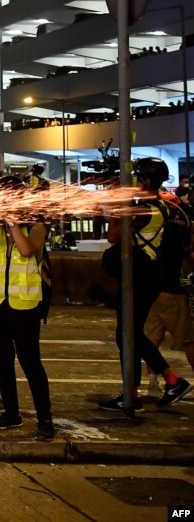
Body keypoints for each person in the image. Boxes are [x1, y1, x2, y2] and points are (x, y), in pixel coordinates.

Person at [100, 157, 192, 411]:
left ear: (147, 180)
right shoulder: (162, 205)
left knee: (127, 334)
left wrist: (118, 209)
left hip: (141, 277)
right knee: (129, 334)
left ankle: (160, 384)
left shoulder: (144, 209)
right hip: (146, 276)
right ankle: (149, 387)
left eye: (137, 178)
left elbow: (113, 236)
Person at [0, 195, 55, 441]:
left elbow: (27, 250)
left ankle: (44, 417)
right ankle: (11, 412)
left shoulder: (37, 227)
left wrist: (13, 223)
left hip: (24, 306)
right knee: (2, 361)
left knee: (30, 362)